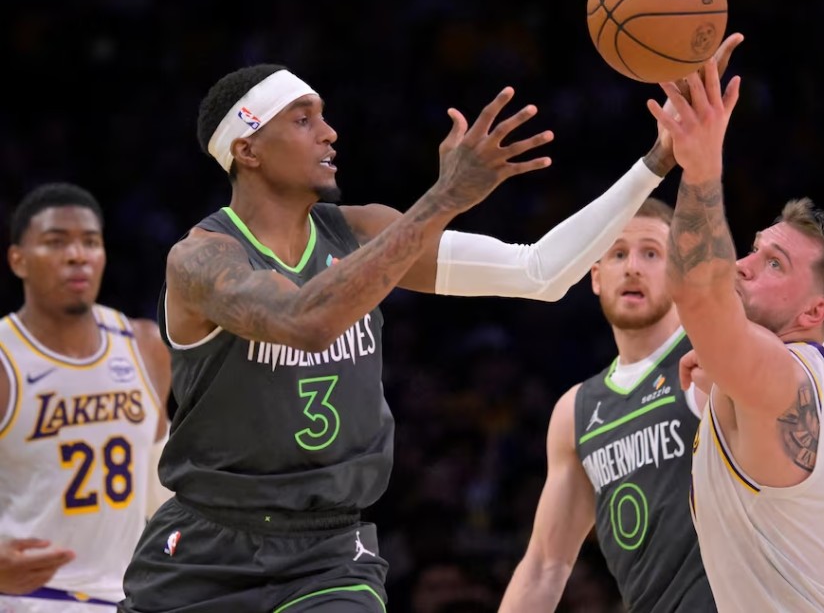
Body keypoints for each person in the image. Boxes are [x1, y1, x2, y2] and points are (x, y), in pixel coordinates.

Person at [117, 36, 739, 613]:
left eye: (324, 114)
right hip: (204, 546)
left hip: (327, 554)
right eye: (303, 119)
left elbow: (540, 273)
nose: (330, 132)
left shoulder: (361, 231)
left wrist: (657, 161)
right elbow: (303, 320)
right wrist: (443, 198)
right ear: (247, 149)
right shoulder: (201, 260)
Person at [498, 199, 824, 612]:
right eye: (618, 253)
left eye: (652, 253)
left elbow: (821, 437)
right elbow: (545, 566)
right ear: (595, 275)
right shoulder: (578, 411)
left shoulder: (732, 350)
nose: (633, 268)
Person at [649, 57, 824, 610]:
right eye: (754, 249)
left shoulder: (783, 378)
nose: (742, 265)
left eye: (774, 265)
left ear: (814, 311)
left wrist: (700, 166)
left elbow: (698, 295)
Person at [0, 183, 172, 612]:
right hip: (31, 599)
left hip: (129, 597)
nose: (78, 255)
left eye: (90, 242)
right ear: (17, 260)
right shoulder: (5, 360)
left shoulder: (144, 345)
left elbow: (158, 492)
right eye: (56, 242)